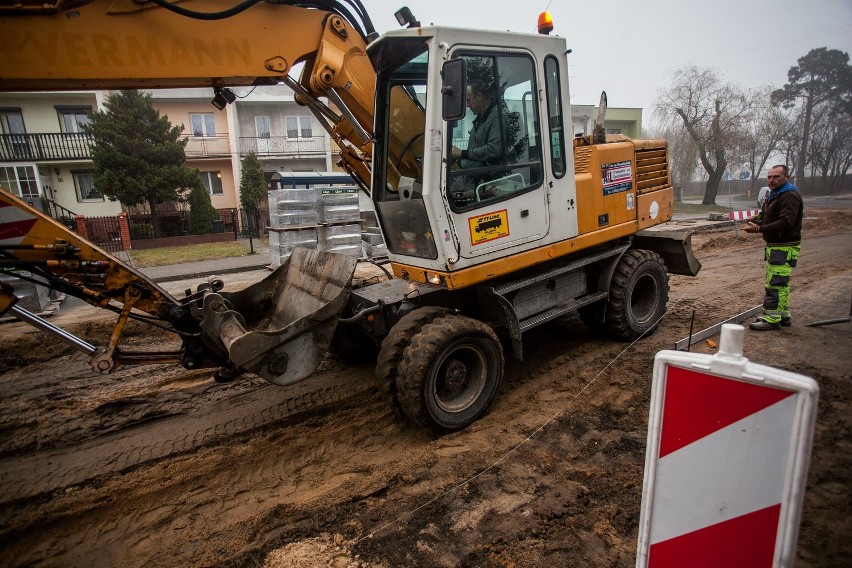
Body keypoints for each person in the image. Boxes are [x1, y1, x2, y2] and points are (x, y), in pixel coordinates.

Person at [743, 165, 804, 331]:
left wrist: (758, 229)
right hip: (777, 246)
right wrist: (757, 219)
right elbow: (768, 215)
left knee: (775, 284)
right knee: (780, 284)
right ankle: (783, 315)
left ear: (786, 177)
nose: (771, 180)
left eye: (776, 176)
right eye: (769, 177)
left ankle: (771, 319)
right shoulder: (775, 194)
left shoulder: (789, 196)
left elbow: (785, 222)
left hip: (784, 247)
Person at [451, 79, 503, 170]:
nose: (467, 105)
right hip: (472, 174)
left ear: (479, 96)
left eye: (468, 100)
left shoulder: (495, 119)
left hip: (488, 179)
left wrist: (462, 153)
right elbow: (475, 152)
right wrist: (458, 157)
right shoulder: (479, 120)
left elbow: (494, 149)